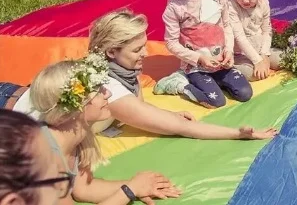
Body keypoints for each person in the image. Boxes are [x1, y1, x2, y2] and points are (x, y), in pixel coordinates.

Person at [8, 10, 279, 141]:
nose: (145, 54)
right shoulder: (107, 89)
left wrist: (163, 113)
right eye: (137, 49)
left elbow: (137, 105)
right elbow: (183, 129)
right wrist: (238, 133)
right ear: (112, 52)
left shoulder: (117, 69)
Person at [27, 58, 182, 204]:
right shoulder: (45, 157)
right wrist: (129, 190)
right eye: (98, 90)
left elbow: (84, 189)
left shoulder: (76, 136)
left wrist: (140, 186)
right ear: (75, 107)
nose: (108, 93)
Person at [162, 0, 254, 109]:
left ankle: (216, 82)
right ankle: (180, 84)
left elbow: (227, 25)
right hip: (196, 67)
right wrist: (198, 59)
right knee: (216, 101)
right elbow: (171, 42)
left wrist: (229, 51)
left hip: (220, 63)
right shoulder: (175, 8)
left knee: (245, 93)